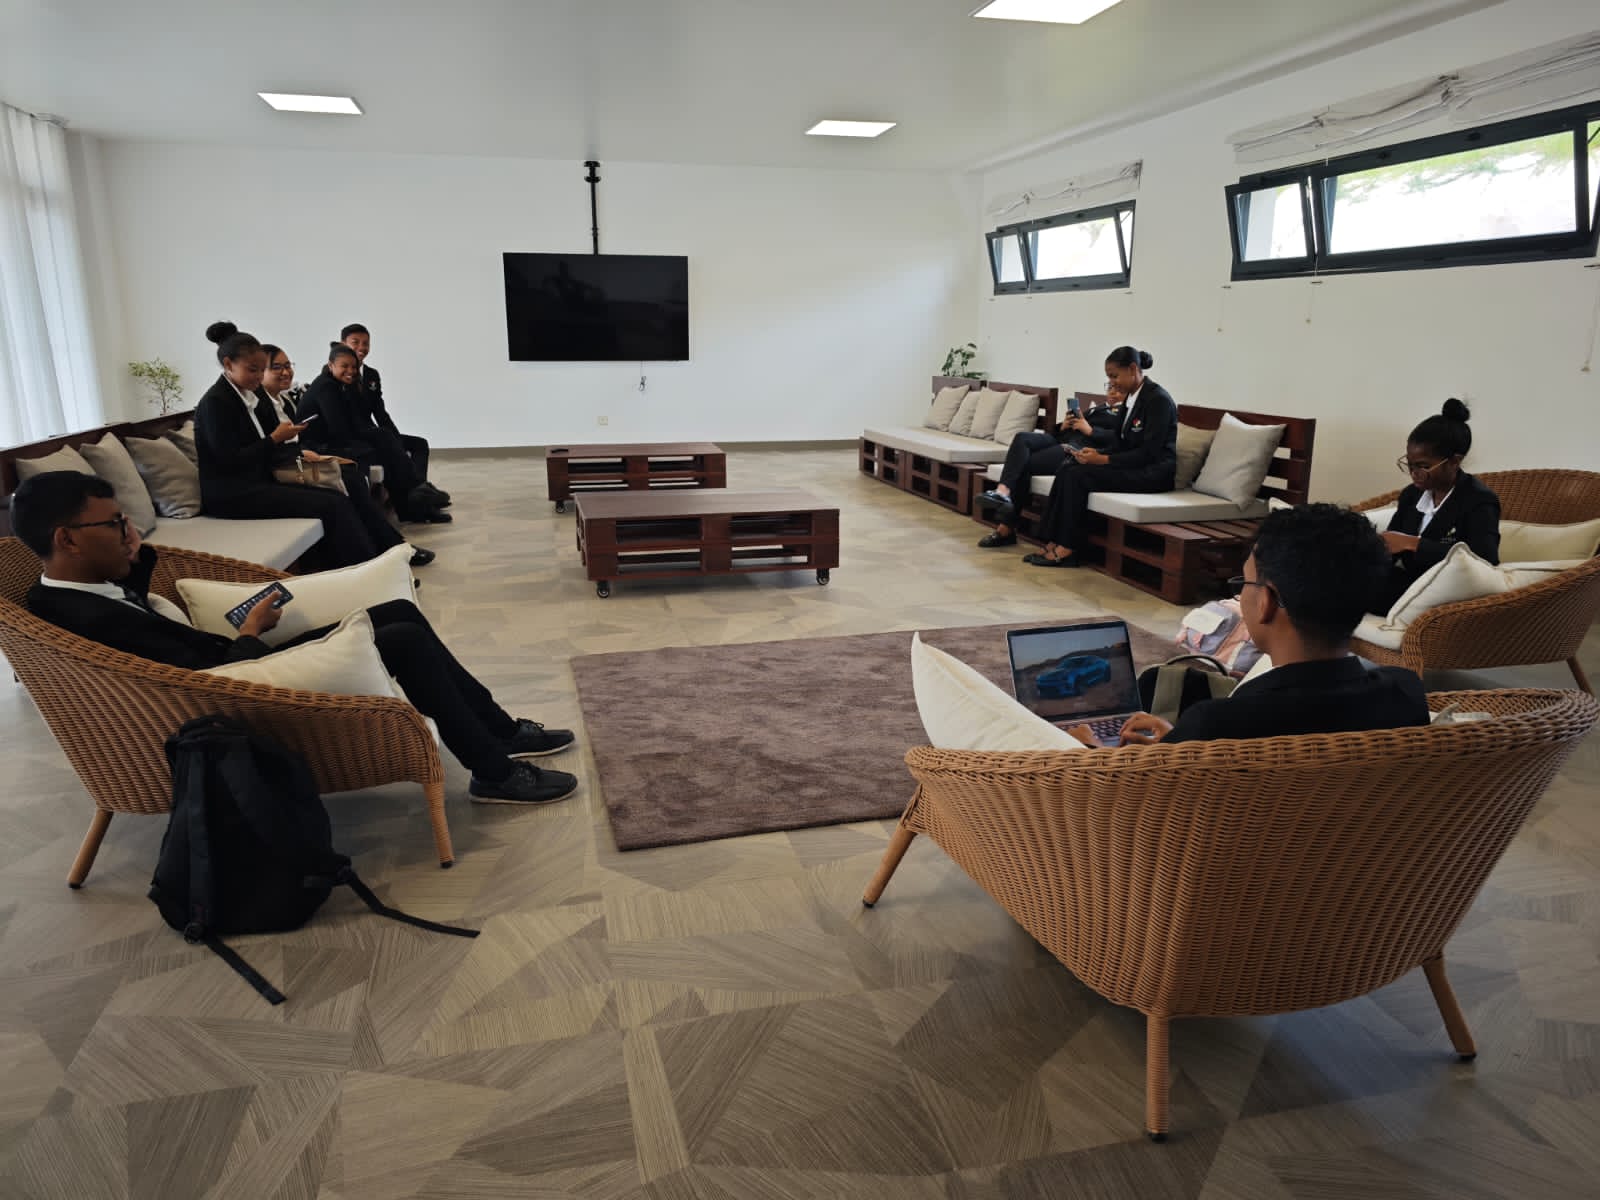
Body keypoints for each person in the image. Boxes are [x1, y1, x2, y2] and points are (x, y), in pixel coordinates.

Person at [12, 472, 576, 805]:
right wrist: (250, 634)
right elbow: (191, 681)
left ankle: (499, 731)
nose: (129, 531)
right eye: (115, 523)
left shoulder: (81, 589)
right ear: (68, 540)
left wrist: (132, 551)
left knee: (398, 611)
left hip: (233, 664)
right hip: (235, 690)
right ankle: (493, 771)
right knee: (401, 638)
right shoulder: (84, 617)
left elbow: (144, 611)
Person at [1102, 503, 1429, 746]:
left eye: (1245, 582)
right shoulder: (1406, 693)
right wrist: (1178, 743)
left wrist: (1094, 749)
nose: (1241, 594)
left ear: (1266, 602)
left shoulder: (1216, 724)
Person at [194, 322, 384, 570]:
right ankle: (366, 569)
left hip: (261, 477)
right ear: (228, 365)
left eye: (262, 369)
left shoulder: (249, 395)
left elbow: (266, 446)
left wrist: (297, 452)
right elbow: (229, 460)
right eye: (253, 370)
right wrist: (275, 439)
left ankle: (372, 559)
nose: (259, 376)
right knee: (332, 503)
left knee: (339, 489)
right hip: (233, 492)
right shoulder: (215, 402)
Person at [260, 343, 434, 568]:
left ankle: (393, 547)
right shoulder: (318, 389)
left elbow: (362, 418)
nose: (285, 372)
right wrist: (291, 446)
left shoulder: (281, 401)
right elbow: (336, 430)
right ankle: (389, 552)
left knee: (371, 455)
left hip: (302, 458)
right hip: (299, 461)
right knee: (352, 477)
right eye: (276, 367)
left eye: (287, 366)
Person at [1024, 346, 1177, 567]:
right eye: (1109, 378)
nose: (1112, 383)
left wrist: (1104, 460)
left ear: (1132, 369)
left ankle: (1068, 547)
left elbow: (1148, 453)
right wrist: (1097, 453)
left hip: (1153, 473)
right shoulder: (1131, 398)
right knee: (1068, 467)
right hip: (1131, 464)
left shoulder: (1158, 400)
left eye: (1115, 376)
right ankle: (1053, 539)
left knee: (1078, 476)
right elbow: (1119, 441)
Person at [1372, 398, 1500, 613]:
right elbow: (1393, 547)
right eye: (1410, 465)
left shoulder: (1479, 501)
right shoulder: (1411, 495)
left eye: (1423, 466)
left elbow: (1485, 561)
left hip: (1449, 596)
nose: (1414, 473)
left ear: (1454, 462)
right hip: (1413, 584)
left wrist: (1414, 544)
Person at [298, 345, 450, 525]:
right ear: (331, 365)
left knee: (385, 441)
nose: (350, 371)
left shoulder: (341, 385)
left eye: (353, 367)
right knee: (382, 447)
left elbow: (358, 419)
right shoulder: (326, 387)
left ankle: (413, 501)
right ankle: (415, 496)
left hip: (334, 440)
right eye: (344, 366)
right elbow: (338, 428)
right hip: (318, 447)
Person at [975, 379, 1126, 549]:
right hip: (1061, 439)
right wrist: (1064, 426)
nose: (1113, 392)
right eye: (1110, 387)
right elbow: (1061, 432)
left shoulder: (1126, 414)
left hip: (1075, 449)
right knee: (1022, 438)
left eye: (1119, 389)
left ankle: (1005, 527)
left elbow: (1120, 440)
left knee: (1023, 464)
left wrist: (1090, 430)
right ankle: (1002, 491)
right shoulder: (1097, 408)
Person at [341, 323, 447, 508]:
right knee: (387, 444)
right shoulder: (339, 374)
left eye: (366, 343)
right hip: (356, 437)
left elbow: (380, 412)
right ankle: (416, 494)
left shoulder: (372, 375)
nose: (361, 347)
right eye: (355, 342)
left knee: (419, 444)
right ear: (343, 344)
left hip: (375, 433)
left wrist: (394, 437)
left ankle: (419, 492)